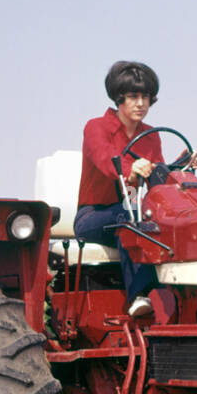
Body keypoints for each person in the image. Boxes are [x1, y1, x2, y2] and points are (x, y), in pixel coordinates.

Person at [74, 61, 167, 318]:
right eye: (133, 97)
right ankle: (140, 295)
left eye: (146, 97)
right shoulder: (96, 128)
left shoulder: (151, 135)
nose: (141, 103)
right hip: (93, 216)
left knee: (164, 221)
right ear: (119, 99)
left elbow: (157, 180)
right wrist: (132, 168)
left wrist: (179, 168)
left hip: (131, 212)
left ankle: (178, 293)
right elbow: (107, 162)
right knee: (129, 218)